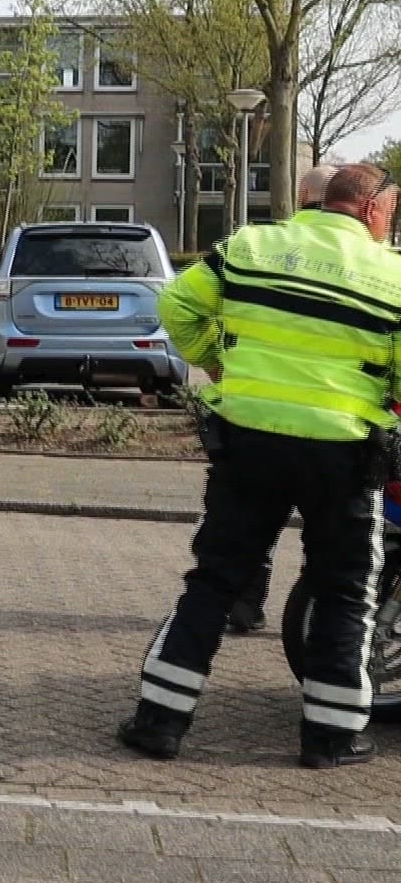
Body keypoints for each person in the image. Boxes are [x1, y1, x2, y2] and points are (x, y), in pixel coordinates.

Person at [120, 163, 401, 770]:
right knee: (347, 591)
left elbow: (175, 305)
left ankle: (159, 723)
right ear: (373, 209)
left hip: (247, 444)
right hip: (345, 454)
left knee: (216, 580)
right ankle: (330, 738)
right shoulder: (394, 276)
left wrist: (218, 364)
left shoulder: (249, 245)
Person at [230, 162, 344, 635]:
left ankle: (245, 601)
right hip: (335, 419)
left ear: (301, 195)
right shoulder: (364, 254)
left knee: (255, 523)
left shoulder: (265, 247)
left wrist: (215, 363)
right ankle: (312, 614)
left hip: (261, 415)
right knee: (328, 531)